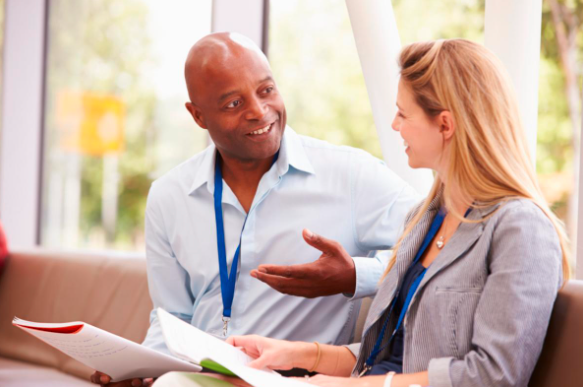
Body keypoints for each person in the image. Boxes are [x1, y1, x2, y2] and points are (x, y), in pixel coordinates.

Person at [226, 39, 570, 387]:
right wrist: (296, 354)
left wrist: (347, 386)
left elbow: (494, 376)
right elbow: (387, 358)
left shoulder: (521, 228)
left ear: (445, 125)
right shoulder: (425, 218)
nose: (394, 124)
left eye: (403, 114)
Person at [90, 32, 420, 386]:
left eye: (266, 91)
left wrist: (356, 276)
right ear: (198, 116)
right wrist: (141, 368)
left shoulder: (351, 176)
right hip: (197, 379)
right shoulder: (168, 197)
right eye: (233, 103)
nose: (259, 111)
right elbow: (172, 318)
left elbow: (441, 246)